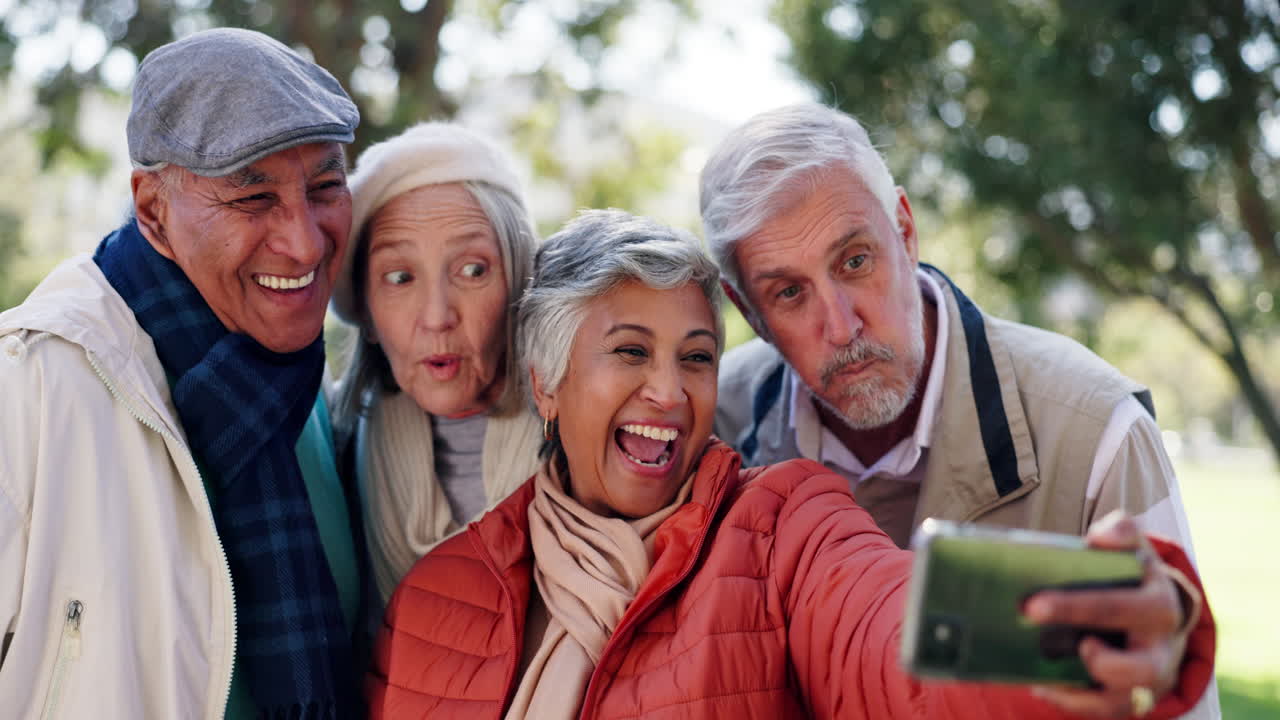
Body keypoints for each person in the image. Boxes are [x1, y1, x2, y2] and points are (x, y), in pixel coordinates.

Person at [366, 210, 1215, 719]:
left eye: (697, 357)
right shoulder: (438, 597)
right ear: (547, 383)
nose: (669, 391)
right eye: (630, 351)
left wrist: (1090, 616)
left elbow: (890, 628)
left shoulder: (781, 525)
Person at [701, 104, 1220, 718]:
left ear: (905, 229)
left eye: (855, 260)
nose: (841, 327)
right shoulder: (710, 429)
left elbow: (1170, 690)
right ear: (748, 312)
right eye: (788, 293)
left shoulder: (1097, 429)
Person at [0, 29, 364, 718]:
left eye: (324, 187)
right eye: (253, 199)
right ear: (152, 211)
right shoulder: (31, 388)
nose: (305, 240)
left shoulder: (308, 395)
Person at [329, 122, 542, 606]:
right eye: (400, 277)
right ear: (365, 312)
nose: (437, 317)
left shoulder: (591, 432)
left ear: (521, 278)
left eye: (473, 270)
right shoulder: (331, 446)